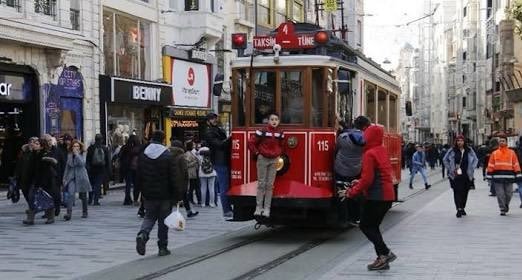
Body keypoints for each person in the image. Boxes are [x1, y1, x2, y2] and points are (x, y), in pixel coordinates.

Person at [340, 125, 396, 271]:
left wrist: (351, 192)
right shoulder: (381, 150)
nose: (363, 137)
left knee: (366, 225)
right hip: (387, 195)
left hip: (377, 196)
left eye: (366, 134)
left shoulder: (369, 154)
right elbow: (378, 175)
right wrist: (359, 182)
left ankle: (385, 253)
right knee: (373, 226)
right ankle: (382, 259)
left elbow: (367, 180)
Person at [135, 130, 184, 257]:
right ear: (163, 140)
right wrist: (178, 195)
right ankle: (162, 247)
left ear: (151, 139)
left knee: (149, 217)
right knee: (163, 221)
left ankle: (143, 234)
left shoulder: (143, 154)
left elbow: (138, 175)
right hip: (165, 194)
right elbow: (174, 177)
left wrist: (141, 191)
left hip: (148, 193)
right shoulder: (167, 156)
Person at [247, 113, 285, 218]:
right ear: (268, 121)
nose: (274, 121)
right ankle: (259, 208)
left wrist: (278, 154)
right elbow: (250, 143)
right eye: (272, 119)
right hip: (263, 159)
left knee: (269, 185)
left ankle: (267, 209)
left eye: (276, 119)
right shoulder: (262, 131)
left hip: (274, 159)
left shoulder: (280, 133)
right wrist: (257, 154)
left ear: (278, 121)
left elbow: (282, 145)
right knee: (261, 184)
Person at [333, 116, 369, 224]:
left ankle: (343, 219)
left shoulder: (343, 137)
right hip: (356, 169)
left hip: (341, 169)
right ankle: (355, 216)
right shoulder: (365, 140)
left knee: (341, 192)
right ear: (365, 127)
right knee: (354, 191)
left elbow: (336, 148)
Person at [24, 135, 61, 225]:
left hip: (46, 181)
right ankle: (30, 219)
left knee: (47, 199)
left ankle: (50, 217)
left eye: (37, 144)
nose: (34, 145)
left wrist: (48, 160)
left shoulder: (45, 154)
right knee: (31, 198)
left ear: (41, 145)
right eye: (34, 143)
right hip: (35, 181)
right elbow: (29, 169)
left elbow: (54, 165)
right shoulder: (32, 154)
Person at [203, 112, 232, 219]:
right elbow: (220, 145)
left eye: (215, 118)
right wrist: (230, 138)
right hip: (220, 161)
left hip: (224, 160)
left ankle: (229, 208)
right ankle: (227, 210)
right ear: (208, 121)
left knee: (226, 185)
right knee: (224, 186)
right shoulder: (209, 132)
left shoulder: (217, 129)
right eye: (212, 119)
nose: (214, 120)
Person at [443, 135, 478, 218]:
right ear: (456, 142)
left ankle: (462, 207)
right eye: (458, 140)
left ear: (464, 141)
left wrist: (472, 168)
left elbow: (476, 159)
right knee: (457, 191)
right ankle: (458, 209)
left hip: (466, 174)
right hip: (455, 175)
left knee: (465, 192)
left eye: (461, 140)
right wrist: (450, 168)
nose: (460, 142)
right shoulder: (452, 150)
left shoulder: (469, 150)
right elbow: (445, 159)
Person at [486, 135, 521, 216]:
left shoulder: (512, 153)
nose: (502, 142)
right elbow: (491, 165)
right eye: (500, 141)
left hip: (509, 177)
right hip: (497, 177)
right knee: (500, 194)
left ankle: (506, 205)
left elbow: (515, 164)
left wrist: (518, 173)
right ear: (499, 143)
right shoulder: (494, 153)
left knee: (509, 194)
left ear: (506, 142)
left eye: (503, 141)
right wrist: (489, 176)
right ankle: (502, 208)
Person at [62, 140, 91, 220]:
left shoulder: (83, 154)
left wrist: (77, 155)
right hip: (72, 177)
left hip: (82, 177)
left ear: (80, 147)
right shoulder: (69, 155)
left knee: (83, 196)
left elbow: (82, 163)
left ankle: (85, 212)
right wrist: (64, 178)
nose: (76, 148)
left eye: (77, 146)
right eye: (74, 146)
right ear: (72, 147)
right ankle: (68, 213)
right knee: (71, 194)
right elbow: (67, 168)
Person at [170, 139, 198, 218]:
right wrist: (186, 180)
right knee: (184, 196)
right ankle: (188, 211)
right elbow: (184, 170)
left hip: (171, 179)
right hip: (180, 179)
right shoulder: (181, 156)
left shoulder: (168, 155)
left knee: (173, 197)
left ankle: (188, 211)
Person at [86, 134, 111, 206]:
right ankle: (96, 200)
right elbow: (107, 160)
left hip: (92, 169)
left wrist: (88, 168)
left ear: (95, 139)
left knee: (91, 184)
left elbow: (88, 159)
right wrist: (108, 171)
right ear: (102, 140)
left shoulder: (91, 148)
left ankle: (90, 199)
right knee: (98, 185)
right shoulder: (105, 148)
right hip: (101, 169)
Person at [15, 137, 39, 205]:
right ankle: (31, 205)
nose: (31, 144)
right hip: (24, 177)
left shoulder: (37, 153)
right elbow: (19, 165)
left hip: (33, 179)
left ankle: (32, 209)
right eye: (30, 142)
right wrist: (16, 175)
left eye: (33, 143)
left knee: (31, 194)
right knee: (25, 191)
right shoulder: (24, 153)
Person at [120, 135, 142, 205]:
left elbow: (120, 156)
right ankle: (135, 199)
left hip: (127, 168)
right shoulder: (139, 148)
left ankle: (127, 199)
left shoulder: (125, 147)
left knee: (128, 184)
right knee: (136, 185)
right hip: (137, 168)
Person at [185, 141, 201, 205]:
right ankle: (191, 199)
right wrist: (195, 162)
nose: (194, 146)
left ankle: (195, 199)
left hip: (195, 171)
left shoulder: (192, 153)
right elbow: (187, 164)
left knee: (195, 186)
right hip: (192, 172)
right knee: (192, 187)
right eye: (193, 145)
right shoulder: (188, 154)